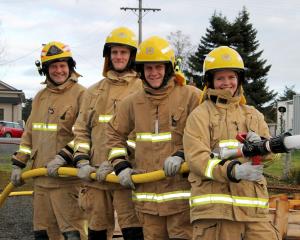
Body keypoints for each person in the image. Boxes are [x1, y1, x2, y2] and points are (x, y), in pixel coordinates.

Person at [106, 36, 201, 240]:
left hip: (182, 200)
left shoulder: (192, 97)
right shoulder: (132, 102)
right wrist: (120, 165)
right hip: (147, 203)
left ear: (169, 68)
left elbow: (206, 136)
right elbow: (113, 134)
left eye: (159, 67)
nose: (153, 73)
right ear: (141, 71)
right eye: (148, 68)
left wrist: (183, 155)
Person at [183, 46, 280, 240]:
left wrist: (262, 145)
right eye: (220, 78)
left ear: (239, 79)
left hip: (254, 212)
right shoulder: (200, 116)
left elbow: (271, 157)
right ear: (210, 81)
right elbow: (197, 159)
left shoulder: (253, 114)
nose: (226, 83)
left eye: (231, 77)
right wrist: (232, 171)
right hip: (216, 213)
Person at [71, 27, 143, 240]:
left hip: (126, 175)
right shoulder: (93, 92)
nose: (118, 57)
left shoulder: (142, 89)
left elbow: (141, 134)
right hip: (95, 177)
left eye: (123, 52)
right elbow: (81, 130)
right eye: (114, 52)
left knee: (133, 229)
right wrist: (82, 161)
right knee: (97, 230)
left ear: (132, 56)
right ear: (108, 56)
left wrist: (117, 162)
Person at [10, 41, 87, 240]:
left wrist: (63, 159)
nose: (58, 70)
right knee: (43, 234)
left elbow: (85, 135)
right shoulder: (39, 98)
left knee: (73, 234)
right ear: (45, 69)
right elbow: (29, 135)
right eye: (53, 66)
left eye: (63, 65)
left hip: (67, 182)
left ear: (70, 66)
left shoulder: (83, 95)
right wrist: (19, 164)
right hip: (41, 181)